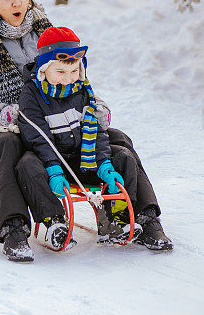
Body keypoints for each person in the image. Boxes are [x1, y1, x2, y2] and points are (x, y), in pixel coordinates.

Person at [0, 0, 163, 262]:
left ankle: (143, 217)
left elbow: (74, 78)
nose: (17, 2)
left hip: (60, 127)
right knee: (8, 147)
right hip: (9, 132)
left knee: (117, 139)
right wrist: (2, 114)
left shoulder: (46, 34)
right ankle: (14, 228)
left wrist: (96, 107)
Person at [17, 26, 173, 251]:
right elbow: (38, 136)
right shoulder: (31, 95)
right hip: (51, 162)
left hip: (84, 159)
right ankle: (54, 222)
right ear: (44, 69)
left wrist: (105, 164)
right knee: (27, 164)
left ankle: (116, 220)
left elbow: (98, 130)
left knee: (123, 155)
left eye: (73, 72)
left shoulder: (83, 90)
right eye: (60, 72)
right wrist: (52, 168)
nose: (68, 79)